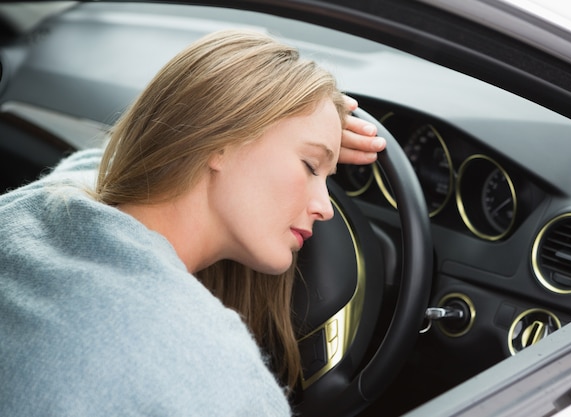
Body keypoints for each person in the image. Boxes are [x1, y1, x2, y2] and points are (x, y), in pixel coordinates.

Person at [0, 29, 385, 416]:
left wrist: (317, 135)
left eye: (327, 177)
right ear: (219, 141)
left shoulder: (40, 207)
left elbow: (110, 160)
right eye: (309, 166)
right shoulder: (209, 366)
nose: (325, 207)